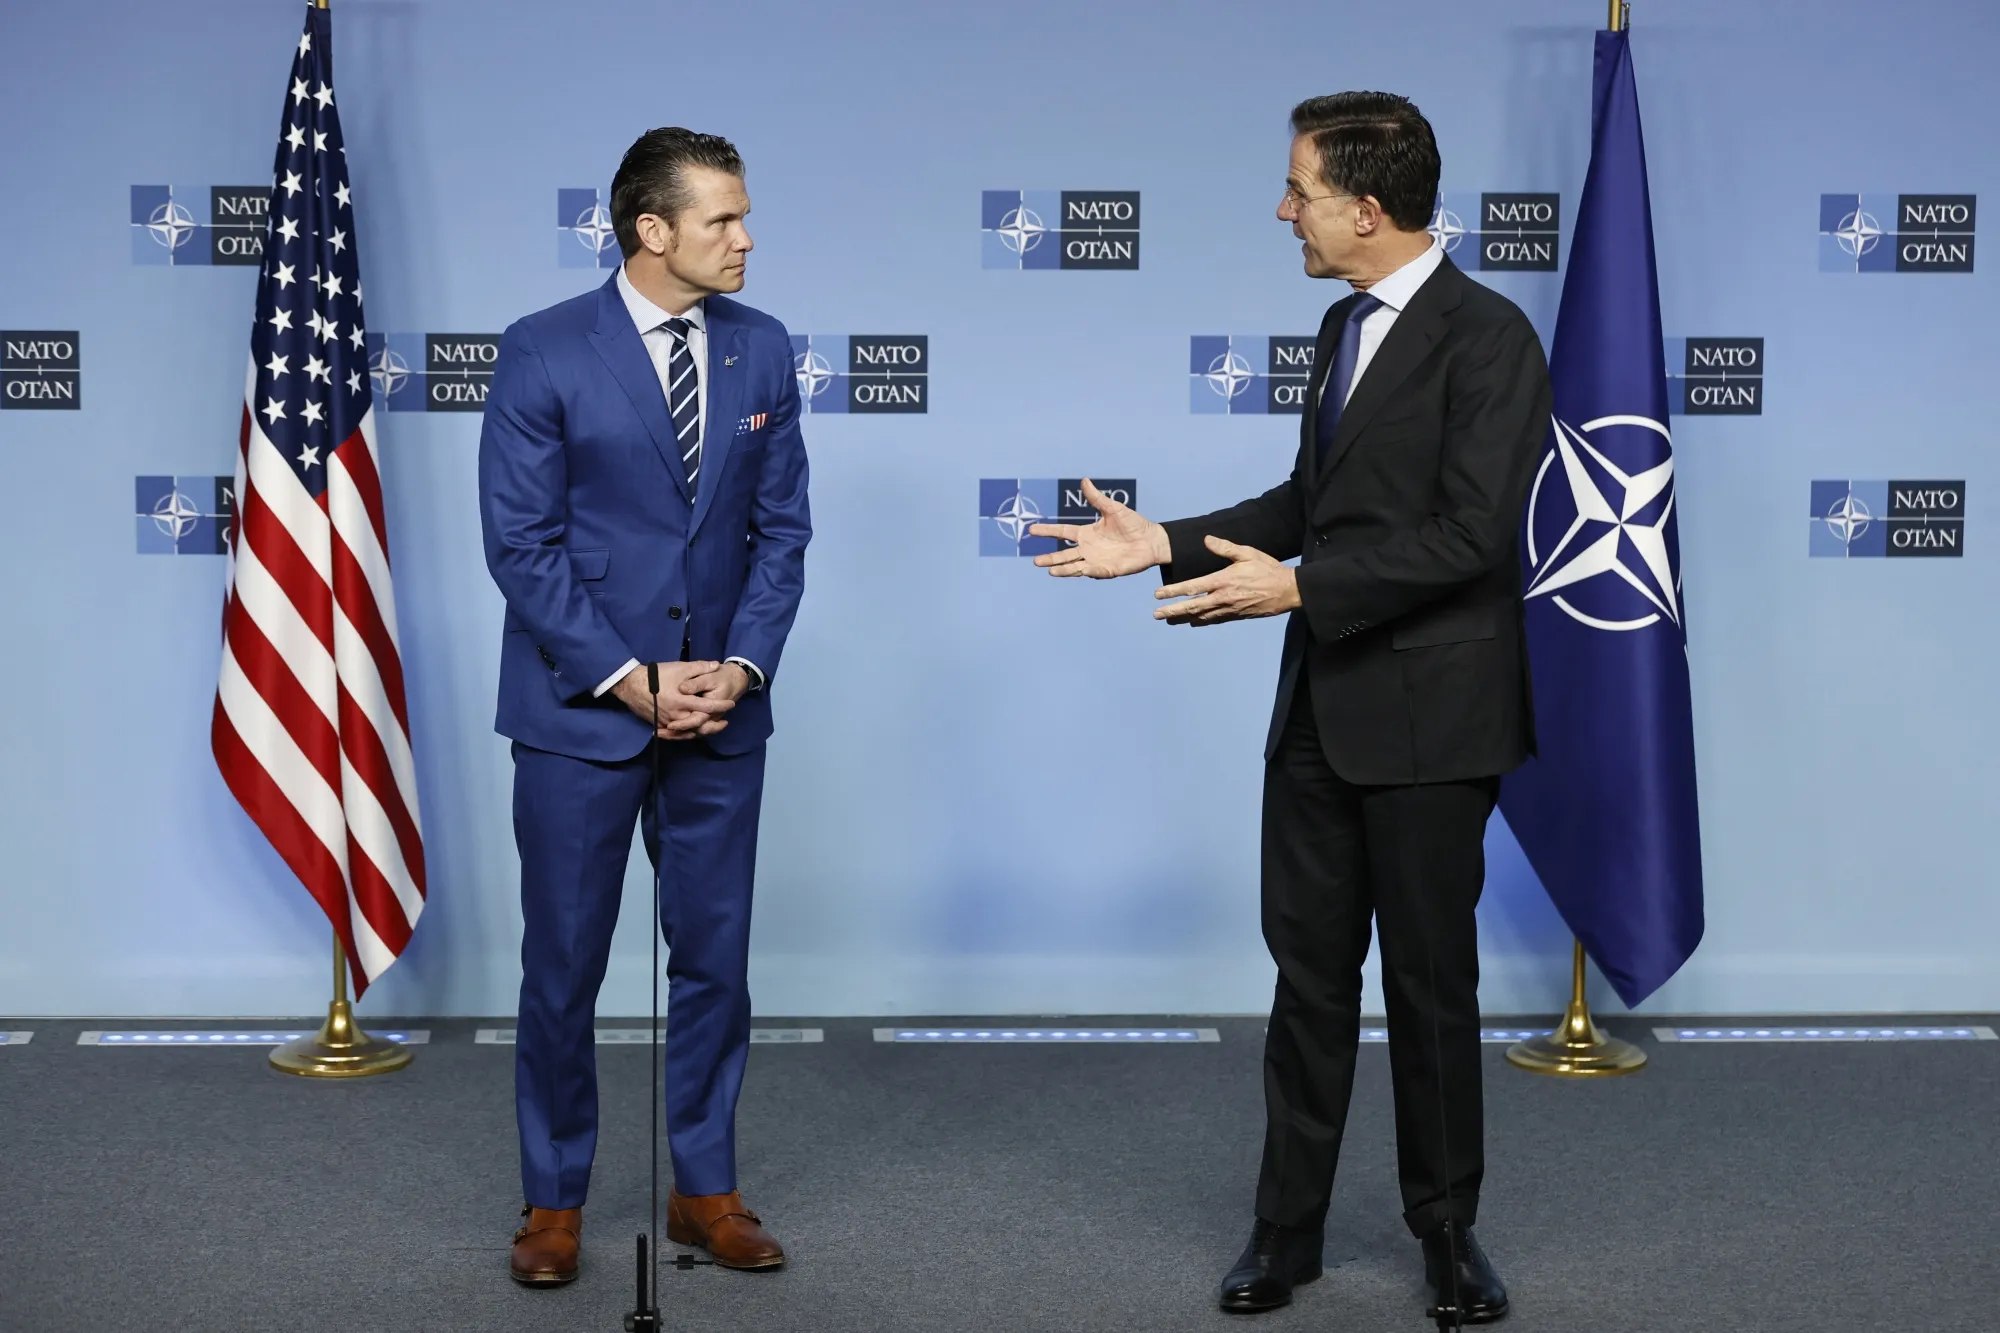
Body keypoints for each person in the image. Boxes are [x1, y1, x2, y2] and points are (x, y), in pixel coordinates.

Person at [1029, 92, 1550, 1321]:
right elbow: (1314, 499)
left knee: (1428, 988)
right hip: (1320, 712)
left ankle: (1445, 1234)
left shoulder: (1489, 339)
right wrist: (1168, 542)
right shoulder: (1338, 324)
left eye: (1298, 191)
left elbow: (1472, 538)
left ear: (1364, 209)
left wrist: (1304, 587)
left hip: (1432, 722)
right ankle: (1285, 1232)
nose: (1282, 210)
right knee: (1307, 981)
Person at [477, 127, 810, 1287]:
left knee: (715, 960)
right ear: (650, 230)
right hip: (581, 717)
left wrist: (742, 668)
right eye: (722, 219)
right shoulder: (541, 350)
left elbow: (782, 536)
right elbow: (521, 547)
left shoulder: (764, 350)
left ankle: (703, 1190)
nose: (745, 237)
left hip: (722, 716)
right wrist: (630, 679)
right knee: (563, 964)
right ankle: (553, 1201)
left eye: (743, 214)